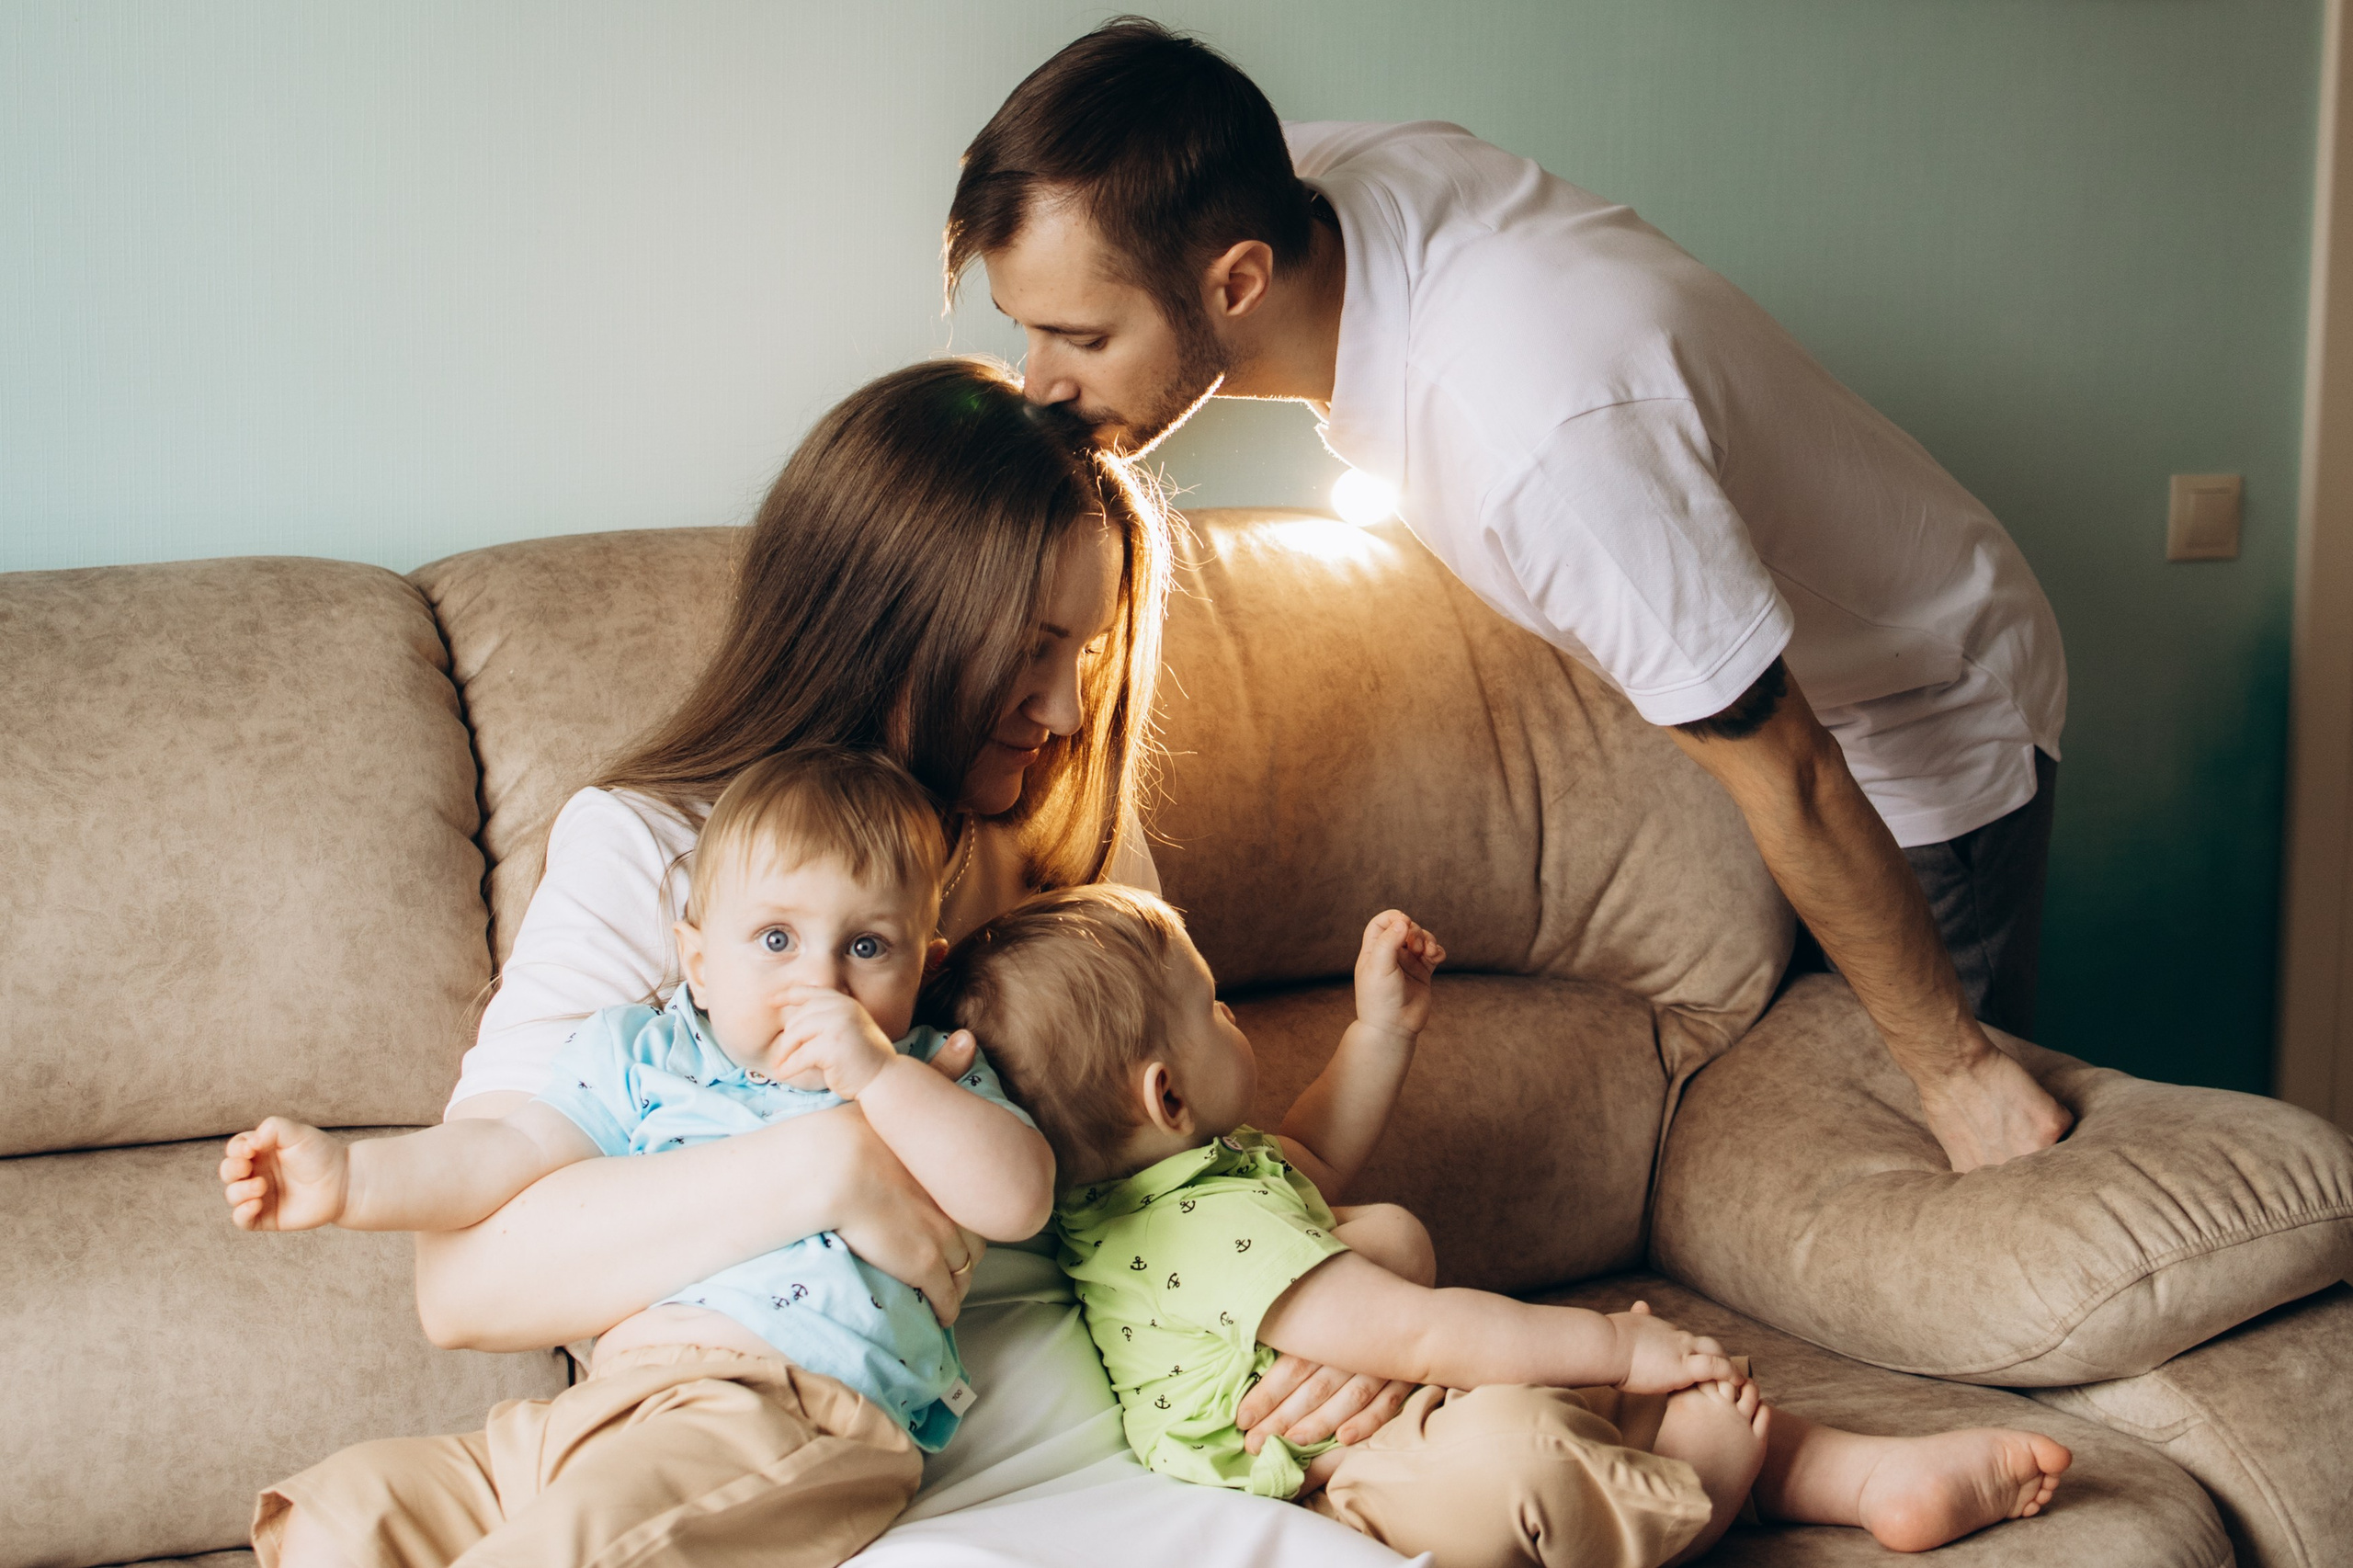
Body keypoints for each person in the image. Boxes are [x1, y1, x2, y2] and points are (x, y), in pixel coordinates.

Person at [946, 19, 2072, 1173]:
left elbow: (1794, 770)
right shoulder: (1283, 180)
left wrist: (1957, 1068)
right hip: (1727, 659)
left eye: (1077, 335)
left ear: (1238, 279)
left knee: (1921, 1145)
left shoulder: (1541, 448)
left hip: (1911, 715)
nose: (1041, 381)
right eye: (1024, 327)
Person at [396, 358, 1419, 1557]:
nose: (1066, 711)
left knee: (1638, 1442)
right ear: (888, 616)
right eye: (1032, 649)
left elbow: (1196, 1161)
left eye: (1082, 654)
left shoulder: (1070, 832)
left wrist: (1344, 1313)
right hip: (807, 1463)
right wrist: (830, 1159)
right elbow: (463, 1285)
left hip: (1144, 1425)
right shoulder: (655, 850)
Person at [936, 884, 2074, 1567]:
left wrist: (1382, 1028)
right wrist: (1618, 1343)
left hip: (1397, 1427)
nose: (1236, 1015)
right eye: (1216, 1008)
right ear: (1165, 1096)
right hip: (1347, 1489)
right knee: (1519, 1448)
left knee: (1591, 1407)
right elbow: (1420, 1336)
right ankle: (1696, 1499)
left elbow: (1319, 1153)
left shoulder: (1176, 1188)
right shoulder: (1199, 1236)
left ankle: (1863, 1479)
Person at [220, 746, 1055, 1568]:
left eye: (867, 947)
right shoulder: (642, 1058)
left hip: (787, 1416)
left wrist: (879, 1074)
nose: (820, 983)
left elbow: (1019, 1197)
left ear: (925, 964)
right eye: (775, 939)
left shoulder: (923, 1073)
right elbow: (502, 1152)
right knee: (351, 1509)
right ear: (697, 962)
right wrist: (352, 1179)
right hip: (599, 1410)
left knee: (581, 1539)